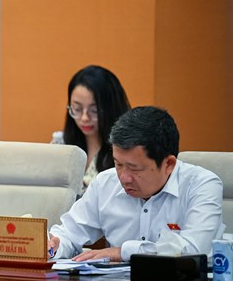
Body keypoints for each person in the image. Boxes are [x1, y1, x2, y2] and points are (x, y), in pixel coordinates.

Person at [48, 106, 224, 262]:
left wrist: (122, 252)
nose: (124, 177)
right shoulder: (105, 183)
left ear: (168, 164)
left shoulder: (202, 185)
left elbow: (194, 250)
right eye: (118, 164)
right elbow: (69, 233)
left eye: (134, 168)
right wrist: (55, 244)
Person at [52, 65, 130, 189]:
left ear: (112, 109)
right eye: (77, 109)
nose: (84, 118)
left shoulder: (126, 151)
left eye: (95, 110)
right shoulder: (61, 144)